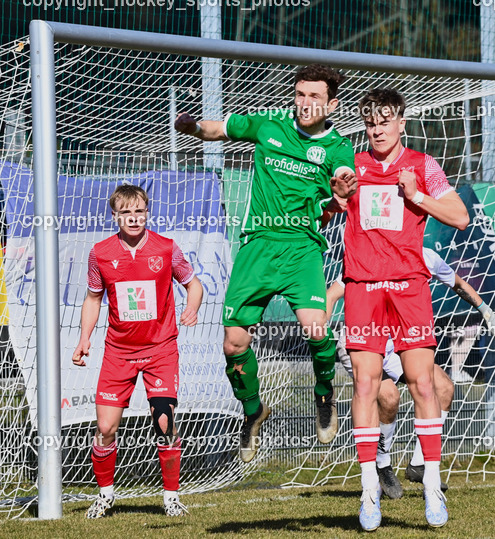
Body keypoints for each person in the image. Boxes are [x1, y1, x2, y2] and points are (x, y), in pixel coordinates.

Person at [175, 64, 357, 463]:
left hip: (301, 249)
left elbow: (345, 175)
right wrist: (191, 127)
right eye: (300, 94)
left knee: (315, 329)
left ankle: (324, 395)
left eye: (314, 96)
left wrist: (343, 186)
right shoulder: (269, 124)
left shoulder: (337, 148)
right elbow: (218, 129)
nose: (305, 103)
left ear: (331, 104)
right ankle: (253, 409)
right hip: (257, 245)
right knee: (233, 342)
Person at [337, 88, 469, 530]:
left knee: (423, 385)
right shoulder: (349, 164)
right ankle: (369, 490)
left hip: (409, 286)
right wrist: (334, 200)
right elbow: (320, 212)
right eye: (370, 121)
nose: (377, 129)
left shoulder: (421, 164)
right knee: (366, 385)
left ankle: (431, 484)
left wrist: (417, 196)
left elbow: (459, 215)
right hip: (362, 287)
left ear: (401, 124)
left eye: (385, 121)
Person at [326, 246, 495, 499]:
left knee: (444, 388)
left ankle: (419, 465)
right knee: (389, 397)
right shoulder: (367, 253)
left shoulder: (426, 255)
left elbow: (458, 284)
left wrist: (486, 311)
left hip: (402, 341)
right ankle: (382, 464)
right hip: (364, 339)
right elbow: (332, 294)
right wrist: (319, 329)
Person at [73, 185, 204, 518]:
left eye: (139, 211)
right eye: (126, 213)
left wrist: (192, 307)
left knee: (164, 422)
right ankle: (105, 495)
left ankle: (171, 498)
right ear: (115, 216)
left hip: (161, 349)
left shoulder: (167, 248)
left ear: (148, 212)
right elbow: (92, 299)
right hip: (118, 351)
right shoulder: (100, 253)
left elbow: (194, 284)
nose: (134, 218)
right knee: (105, 428)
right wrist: (84, 338)